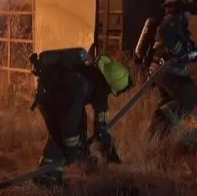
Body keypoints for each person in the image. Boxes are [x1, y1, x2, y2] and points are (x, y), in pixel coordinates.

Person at [28, 47, 133, 188]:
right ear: (108, 84)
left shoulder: (98, 84)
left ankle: (81, 160)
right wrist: (72, 148)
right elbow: (70, 118)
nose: (110, 93)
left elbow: (101, 117)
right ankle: (47, 176)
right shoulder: (81, 85)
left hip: (64, 101)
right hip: (50, 100)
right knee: (60, 137)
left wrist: (107, 146)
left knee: (80, 126)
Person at [147, 0, 197, 139]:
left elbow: (186, 50)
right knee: (192, 100)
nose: (191, 17)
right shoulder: (171, 22)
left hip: (163, 69)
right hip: (167, 70)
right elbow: (177, 49)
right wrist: (183, 52)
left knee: (168, 101)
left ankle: (158, 136)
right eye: (190, 13)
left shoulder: (177, 23)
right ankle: (161, 123)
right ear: (183, 11)